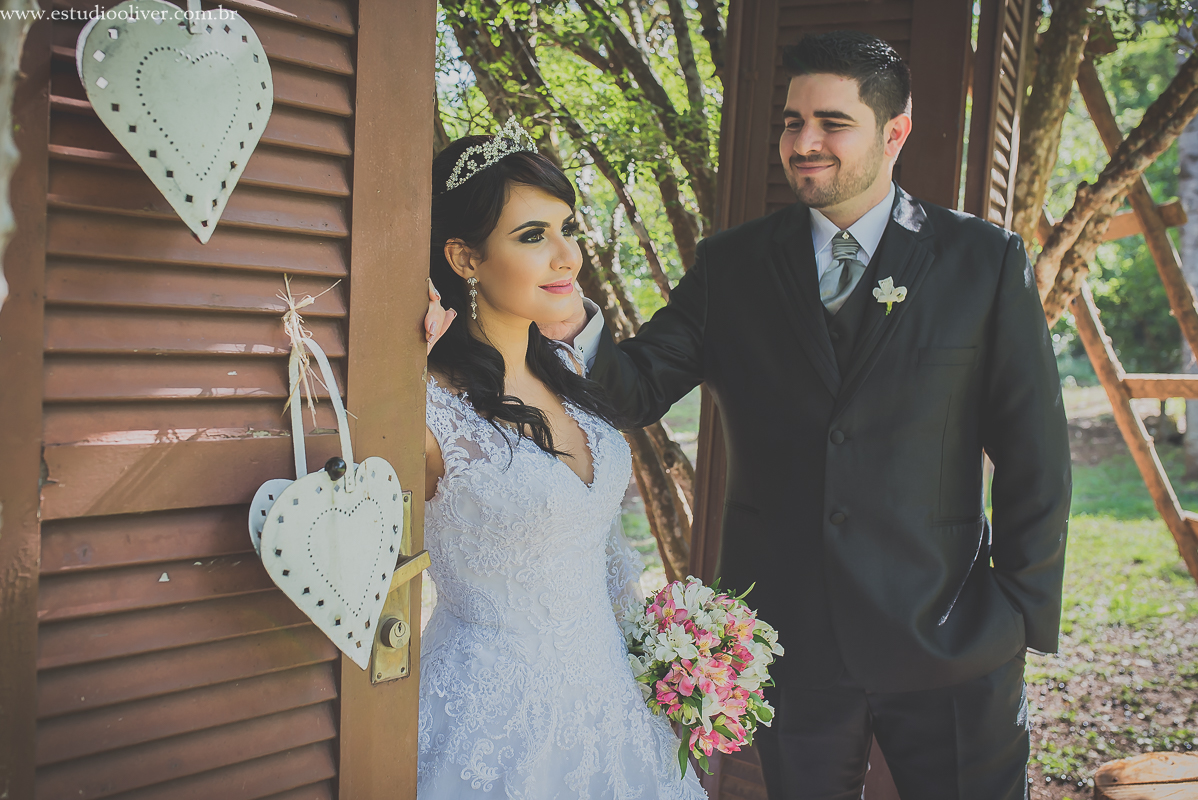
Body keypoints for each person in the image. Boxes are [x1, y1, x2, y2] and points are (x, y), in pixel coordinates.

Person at [429, 30, 1073, 800]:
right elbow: (634, 388)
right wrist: (569, 322)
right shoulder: (732, 264)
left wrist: (1015, 618)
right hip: (791, 647)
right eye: (792, 122)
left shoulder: (983, 262)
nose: (803, 143)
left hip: (953, 644)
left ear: (894, 133)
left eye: (831, 123)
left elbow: (1037, 455)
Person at [416, 120, 708, 799]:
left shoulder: (576, 371)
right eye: (531, 236)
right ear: (464, 258)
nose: (566, 256)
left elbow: (606, 552)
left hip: (612, 699)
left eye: (566, 228)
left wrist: (665, 656)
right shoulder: (424, 409)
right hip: (489, 722)